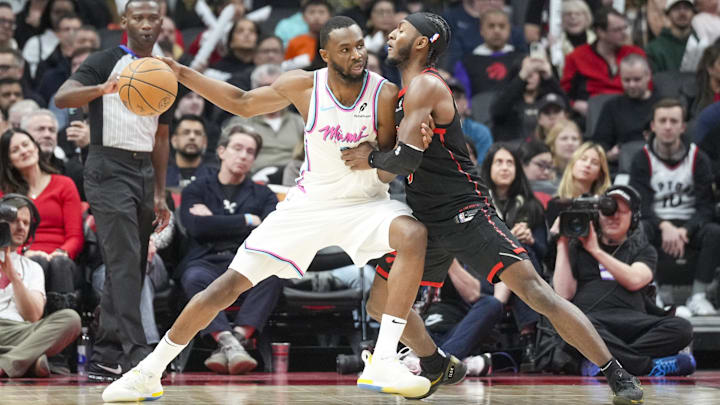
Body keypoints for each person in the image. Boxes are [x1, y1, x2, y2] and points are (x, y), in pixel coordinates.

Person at [103, 15, 436, 402]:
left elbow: (386, 171)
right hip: (307, 207)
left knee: (413, 233)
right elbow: (241, 103)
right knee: (225, 286)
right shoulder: (302, 85)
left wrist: (376, 158)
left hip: (363, 204)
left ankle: (382, 359)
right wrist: (180, 71)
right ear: (325, 55)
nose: (357, 54)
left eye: (360, 45)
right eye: (345, 49)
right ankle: (149, 371)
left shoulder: (383, 93)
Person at [341, 12, 643, 405]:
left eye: (402, 29)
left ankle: (615, 372)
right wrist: (387, 153)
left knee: (537, 293)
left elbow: (405, 162)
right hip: (424, 219)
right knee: (380, 304)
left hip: (464, 209)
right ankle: (435, 364)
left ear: (421, 42)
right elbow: (397, 159)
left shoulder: (426, 87)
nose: (392, 33)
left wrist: (373, 158)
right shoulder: (400, 96)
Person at [54, 0, 172, 382]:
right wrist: (101, 89)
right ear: (124, 21)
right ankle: (138, 353)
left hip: (142, 169)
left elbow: (162, 136)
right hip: (107, 167)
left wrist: (159, 192)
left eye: (152, 17)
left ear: (162, 21)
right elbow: (62, 98)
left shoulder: (164, 69)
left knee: (134, 265)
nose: (146, 24)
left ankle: (104, 353)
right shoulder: (105, 60)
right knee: (122, 261)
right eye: (138, 17)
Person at [553, 185, 696, 377]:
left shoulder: (643, 249)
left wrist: (596, 251)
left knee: (682, 328)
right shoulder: (577, 248)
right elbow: (563, 293)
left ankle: (602, 362)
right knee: (574, 326)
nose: (614, 216)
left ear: (634, 218)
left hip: (636, 324)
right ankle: (649, 366)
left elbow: (635, 280)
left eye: (621, 211)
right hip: (593, 323)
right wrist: (562, 242)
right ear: (597, 215)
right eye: (608, 210)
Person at [178, 124, 283, 375]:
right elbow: (196, 227)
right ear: (222, 151)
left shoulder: (263, 194)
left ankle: (234, 341)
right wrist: (247, 220)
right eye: (237, 148)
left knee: (273, 276)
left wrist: (214, 220)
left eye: (250, 151)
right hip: (206, 261)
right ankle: (230, 343)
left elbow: (269, 231)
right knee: (193, 278)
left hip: (245, 261)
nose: (243, 155)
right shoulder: (197, 188)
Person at [629, 98, 720, 316]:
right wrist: (664, 226)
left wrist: (685, 229)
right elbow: (640, 203)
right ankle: (654, 293)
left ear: (682, 126)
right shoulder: (642, 158)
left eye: (673, 121)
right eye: (662, 121)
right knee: (638, 230)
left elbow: (706, 205)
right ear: (653, 126)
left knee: (715, 232)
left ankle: (698, 296)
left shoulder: (698, 158)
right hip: (656, 222)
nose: (668, 126)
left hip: (690, 224)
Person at [0, 194, 81, 378]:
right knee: (34, 351)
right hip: (23, 341)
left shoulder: (32, 267)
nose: (21, 227)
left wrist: (13, 277)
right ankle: (27, 361)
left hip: (20, 331)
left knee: (71, 319)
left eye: (26, 223)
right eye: (15, 221)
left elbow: (33, 315)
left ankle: (8, 362)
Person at [561, 7, 646, 116]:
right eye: (617, 30)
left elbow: (649, 88)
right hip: (591, 115)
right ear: (600, 32)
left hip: (631, 111)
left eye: (625, 28)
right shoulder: (576, 57)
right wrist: (574, 105)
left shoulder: (636, 54)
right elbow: (563, 95)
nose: (624, 34)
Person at [592, 54, 659, 169]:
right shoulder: (612, 107)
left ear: (648, 76)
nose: (631, 85)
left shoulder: (662, 106)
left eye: (637, 79)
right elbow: (599, 142)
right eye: (626, 80)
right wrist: (607, 155)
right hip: (622, 166)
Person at [490, 55, 565, 143]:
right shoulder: (508, 98)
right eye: (527, 72)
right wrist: (522, 76)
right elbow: (497, 112)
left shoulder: (547, 99)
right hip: (515, 148)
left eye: (535, 72)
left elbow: (567, 109)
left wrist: (549, 77)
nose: (530, 76)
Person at [453, 9, 525, 97]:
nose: (497, 31)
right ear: (481, 30)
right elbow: (463, 99)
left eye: (502, 26)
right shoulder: (466, 63)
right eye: (491, 26)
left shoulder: (522, 61)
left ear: (509, 30)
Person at [546, 142, 612, 226]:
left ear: (600, 173)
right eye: (583, 159)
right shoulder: (556, 203)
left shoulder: (603, 206)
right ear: (572, 164)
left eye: (594, 163)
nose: (587, 165)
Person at [646, 0, 706, 73]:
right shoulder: (653, 49)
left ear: (694, 13)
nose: (682, 13)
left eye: (686, 8)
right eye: (676, 8)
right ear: (668, 14)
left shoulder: (703, 47)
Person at [167, 114, 215, 188]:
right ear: (174, 140)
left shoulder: (215, 176)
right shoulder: (161, 175)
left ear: (205, 141)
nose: (192, 137)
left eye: (198, 133)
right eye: (186, 132)